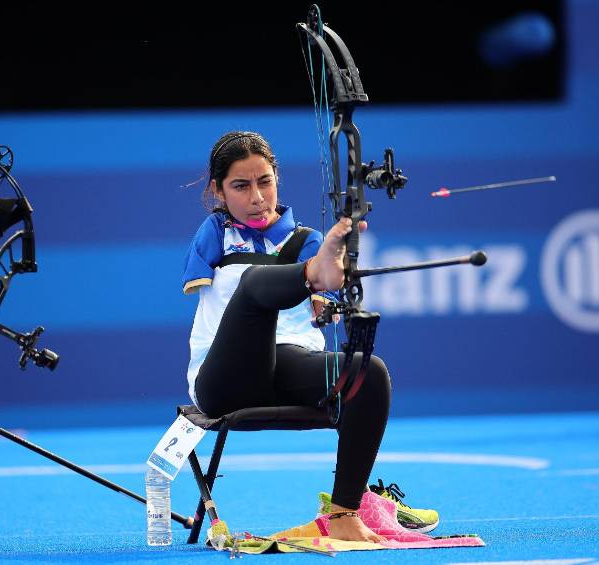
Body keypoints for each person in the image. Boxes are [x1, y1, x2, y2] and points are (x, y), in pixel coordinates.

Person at [182, 131, 437, 542]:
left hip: (288, 368)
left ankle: (345, 514)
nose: (257, 198)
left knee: (367, 372)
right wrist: (312, 275)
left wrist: (327, 292)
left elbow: (324, 310)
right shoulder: (214, 233)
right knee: (254, 284)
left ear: (277, 178)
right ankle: (311, 275)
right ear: (217, 190)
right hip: (224, 378)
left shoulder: (307, 240)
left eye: (265, 181)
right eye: (240, 186)